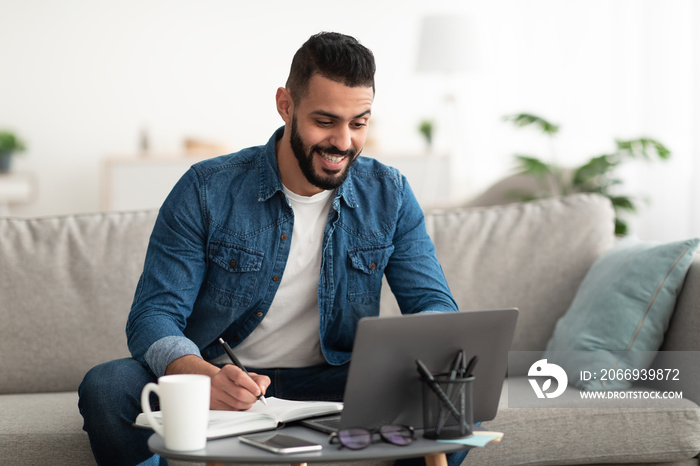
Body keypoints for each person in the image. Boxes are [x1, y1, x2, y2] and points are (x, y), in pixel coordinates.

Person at [79, 31, 466, 466]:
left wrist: (426, 358)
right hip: (221, 379)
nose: (343, 142)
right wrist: (204, 377)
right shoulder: (207, 189)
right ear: (286, 105)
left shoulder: (389, 194)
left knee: (452, 403)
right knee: (107, 387)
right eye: (325, 121)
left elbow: (432, 303)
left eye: (358, 123)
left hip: (335, 380)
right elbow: (153, 317)